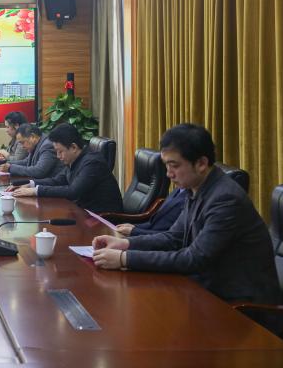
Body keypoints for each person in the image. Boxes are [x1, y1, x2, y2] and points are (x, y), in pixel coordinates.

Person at [92, 123, 280, 304]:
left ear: (201, 163)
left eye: (174, 165)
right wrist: (125, 244)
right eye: (166, 165)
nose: (168, 174)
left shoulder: (226, 199)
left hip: (240, 305)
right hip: (207, 290)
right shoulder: (196, 189)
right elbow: (173, 237)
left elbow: (194, 258)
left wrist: (124, 259)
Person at [10, 123, 123, 213]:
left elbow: (73, 191)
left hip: (103, 218)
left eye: (60, 151)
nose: (58, 156)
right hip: (84, 212)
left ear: (73, 147)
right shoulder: (75, 159)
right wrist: (31, 184)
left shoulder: (92, 162)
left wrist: (36, 191)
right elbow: (58, 180)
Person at [115, 187, 187, 237]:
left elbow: (172, 237)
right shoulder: (178, 189)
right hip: (150, 237)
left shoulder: (188, 199)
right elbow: (153, 223)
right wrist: (134, 227)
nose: (168, 174)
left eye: (176, 168)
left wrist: (134, 231)